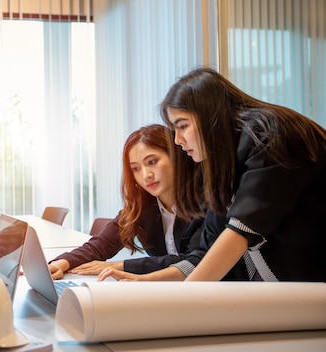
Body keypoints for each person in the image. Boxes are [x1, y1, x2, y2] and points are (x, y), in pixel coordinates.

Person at [99, 66, 326, 283]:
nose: (178, 140)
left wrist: (180, 303)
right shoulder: (224, 163)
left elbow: (242, 231)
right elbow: (202, 254)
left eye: (182, 126)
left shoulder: (270, 133)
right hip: (287, 289)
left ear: (210, 117)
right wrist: (144, 281)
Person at [48, 124, 205, 280]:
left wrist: (120, 265)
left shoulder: (206, 203)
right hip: (162, 291)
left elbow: (191, 261)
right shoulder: (143, 206)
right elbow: (102, 244)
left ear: (176, 157)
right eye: (136, 168)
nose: (146, 175)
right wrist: (63, 263)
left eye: (152, 162)